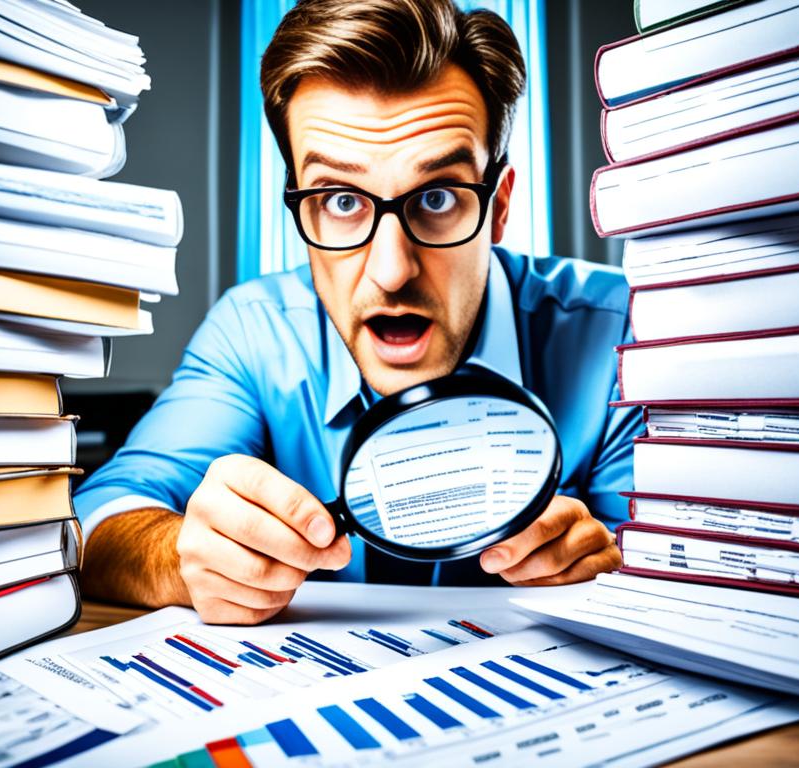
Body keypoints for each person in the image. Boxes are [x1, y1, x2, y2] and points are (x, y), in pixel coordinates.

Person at [76, 0, 643, 625]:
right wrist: (175, 556)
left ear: (498, 207)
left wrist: (615, 564)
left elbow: (692, 561)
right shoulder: (253, 331)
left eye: (437, 196)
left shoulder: (622, 329)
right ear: (300, 213)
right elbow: (101, 514)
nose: (392, 270)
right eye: (341, 199)